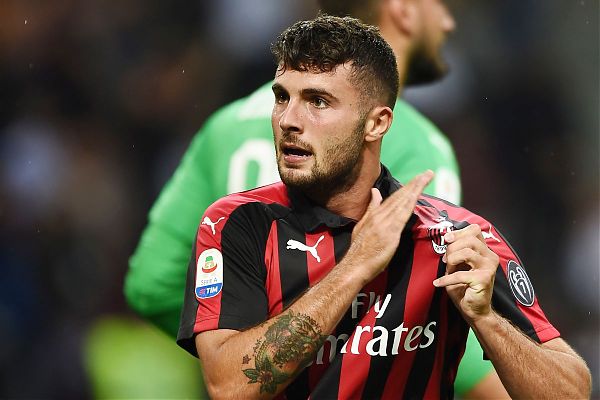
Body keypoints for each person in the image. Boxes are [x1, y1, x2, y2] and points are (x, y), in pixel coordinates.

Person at [176, 15, 591, 399]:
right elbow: (229, 386)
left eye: (317, 101)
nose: (288, 119)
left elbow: (570, 393)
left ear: (377, 123)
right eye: (282, 97)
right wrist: (356, 265)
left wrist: (487, 319)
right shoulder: (237, 224)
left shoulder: (455, 237)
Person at [125, 1, 507, 397]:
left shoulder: (226, 125)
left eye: (318, 101)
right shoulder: (414, 140)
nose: (447, 20)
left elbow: (152, 283)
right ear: (401, 11)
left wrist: (246, 340)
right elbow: (429, 302)